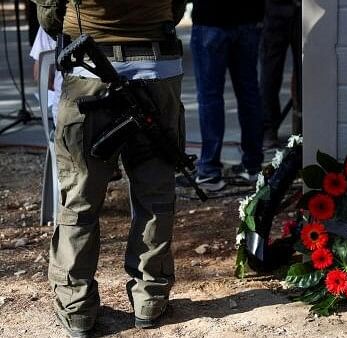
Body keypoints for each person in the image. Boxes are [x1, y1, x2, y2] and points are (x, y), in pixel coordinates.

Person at [34, 0, 187, 336]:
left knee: (79, 193)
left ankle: (77, 308)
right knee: (155, 192)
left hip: (88, 71)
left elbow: (49, 15)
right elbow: (176, 8)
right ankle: (150, 299)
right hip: (157, 68)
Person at [190, 0, 265, 191]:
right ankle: (253, 165)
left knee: (209, 97)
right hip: (248, 17)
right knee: (249, 93)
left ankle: (209, 170)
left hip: (210, 18)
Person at [260, 0, 301, 148]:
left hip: (276, 9)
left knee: (270, 72)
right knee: (306, 72)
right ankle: (302, 126)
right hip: (300, 9)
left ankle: (269, 129)